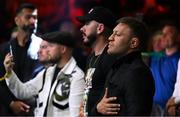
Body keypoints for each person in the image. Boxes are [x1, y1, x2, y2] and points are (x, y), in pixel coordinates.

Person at [4, 31, 85, 117]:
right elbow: (23, 91)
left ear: (63, 49)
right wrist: (9, 72)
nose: (47, 50)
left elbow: (76, 115)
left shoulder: (77, 77)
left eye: (51, 46)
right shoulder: (48, 72)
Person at [92, 17, 155, 116]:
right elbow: (101, 106)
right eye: (112, 33)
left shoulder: (138, 72)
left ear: (133, 43)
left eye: (117, 34)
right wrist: (97, 109)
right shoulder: (116, 67)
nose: (110, 38)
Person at [0, 3, 42, 115]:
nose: (33, 21)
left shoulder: (43, 47)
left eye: (35, 17)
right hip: (8, 110)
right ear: (17, 20)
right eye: (28, 17)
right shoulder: (4, 49)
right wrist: (11, 103)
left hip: (34, 108)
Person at [76, 6, 117, 116]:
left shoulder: (110, 58)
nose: (81, 28)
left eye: (87, 23)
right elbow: (90, 90)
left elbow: (110, 100)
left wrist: (94, 111)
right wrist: (83, 107)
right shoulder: (91, 57)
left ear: (100, 28)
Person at [150, 20, 180, 116]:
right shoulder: (154, 57)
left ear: (178, 38)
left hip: (172, 109)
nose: (164, 36)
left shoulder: (178, 59)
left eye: (169, 33)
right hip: (154, 108)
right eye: (163, 33)